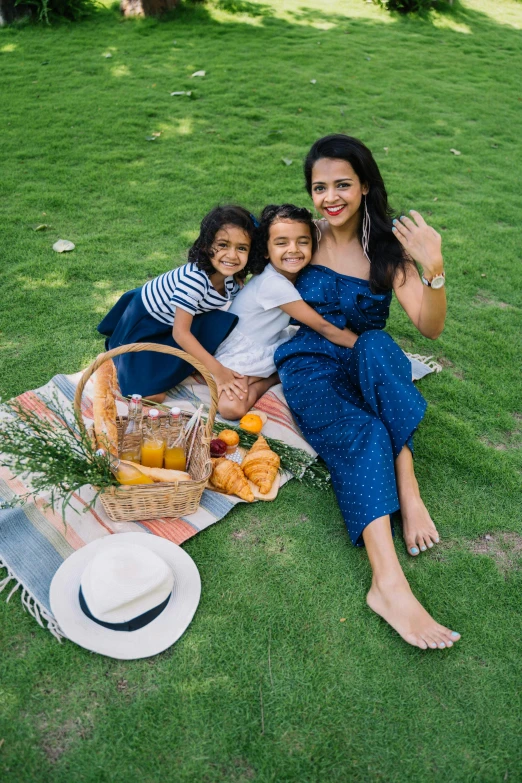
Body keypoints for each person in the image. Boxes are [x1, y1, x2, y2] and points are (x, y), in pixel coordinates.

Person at [274, 134, 461, 651]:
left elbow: (428, 327)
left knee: (380, 346)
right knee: (363, 430)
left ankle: (409, 486)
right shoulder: (301, 239)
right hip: (311, 365)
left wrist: (434, 267)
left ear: (364, 187)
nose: (329, 197)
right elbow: (238, 274)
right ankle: (388, 584)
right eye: (319, 187)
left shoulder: (387, 252)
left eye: (341, 185)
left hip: (362, 353)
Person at [97, 205, 255, 403]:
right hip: (147, 321)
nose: (232, 255)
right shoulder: (195, 280)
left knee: (223, 322)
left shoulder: (233, 279)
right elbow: (180, 334)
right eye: (223, 245)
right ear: (206, 245)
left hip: (177, 319)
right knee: (150, 395)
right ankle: (129, 359)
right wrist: (218, 371)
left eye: (241, 248)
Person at [214, 203, 358, 420]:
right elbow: (323, 326)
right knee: (231, 409)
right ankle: (272, 378)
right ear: (265, 250)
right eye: (282, 243)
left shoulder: (294, 274)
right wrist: (362, 345)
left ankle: (266, 376)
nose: (294, 250)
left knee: (233, 405)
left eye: (303, 242)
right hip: (242, 352)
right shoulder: (274, 284)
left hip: (268, 341)